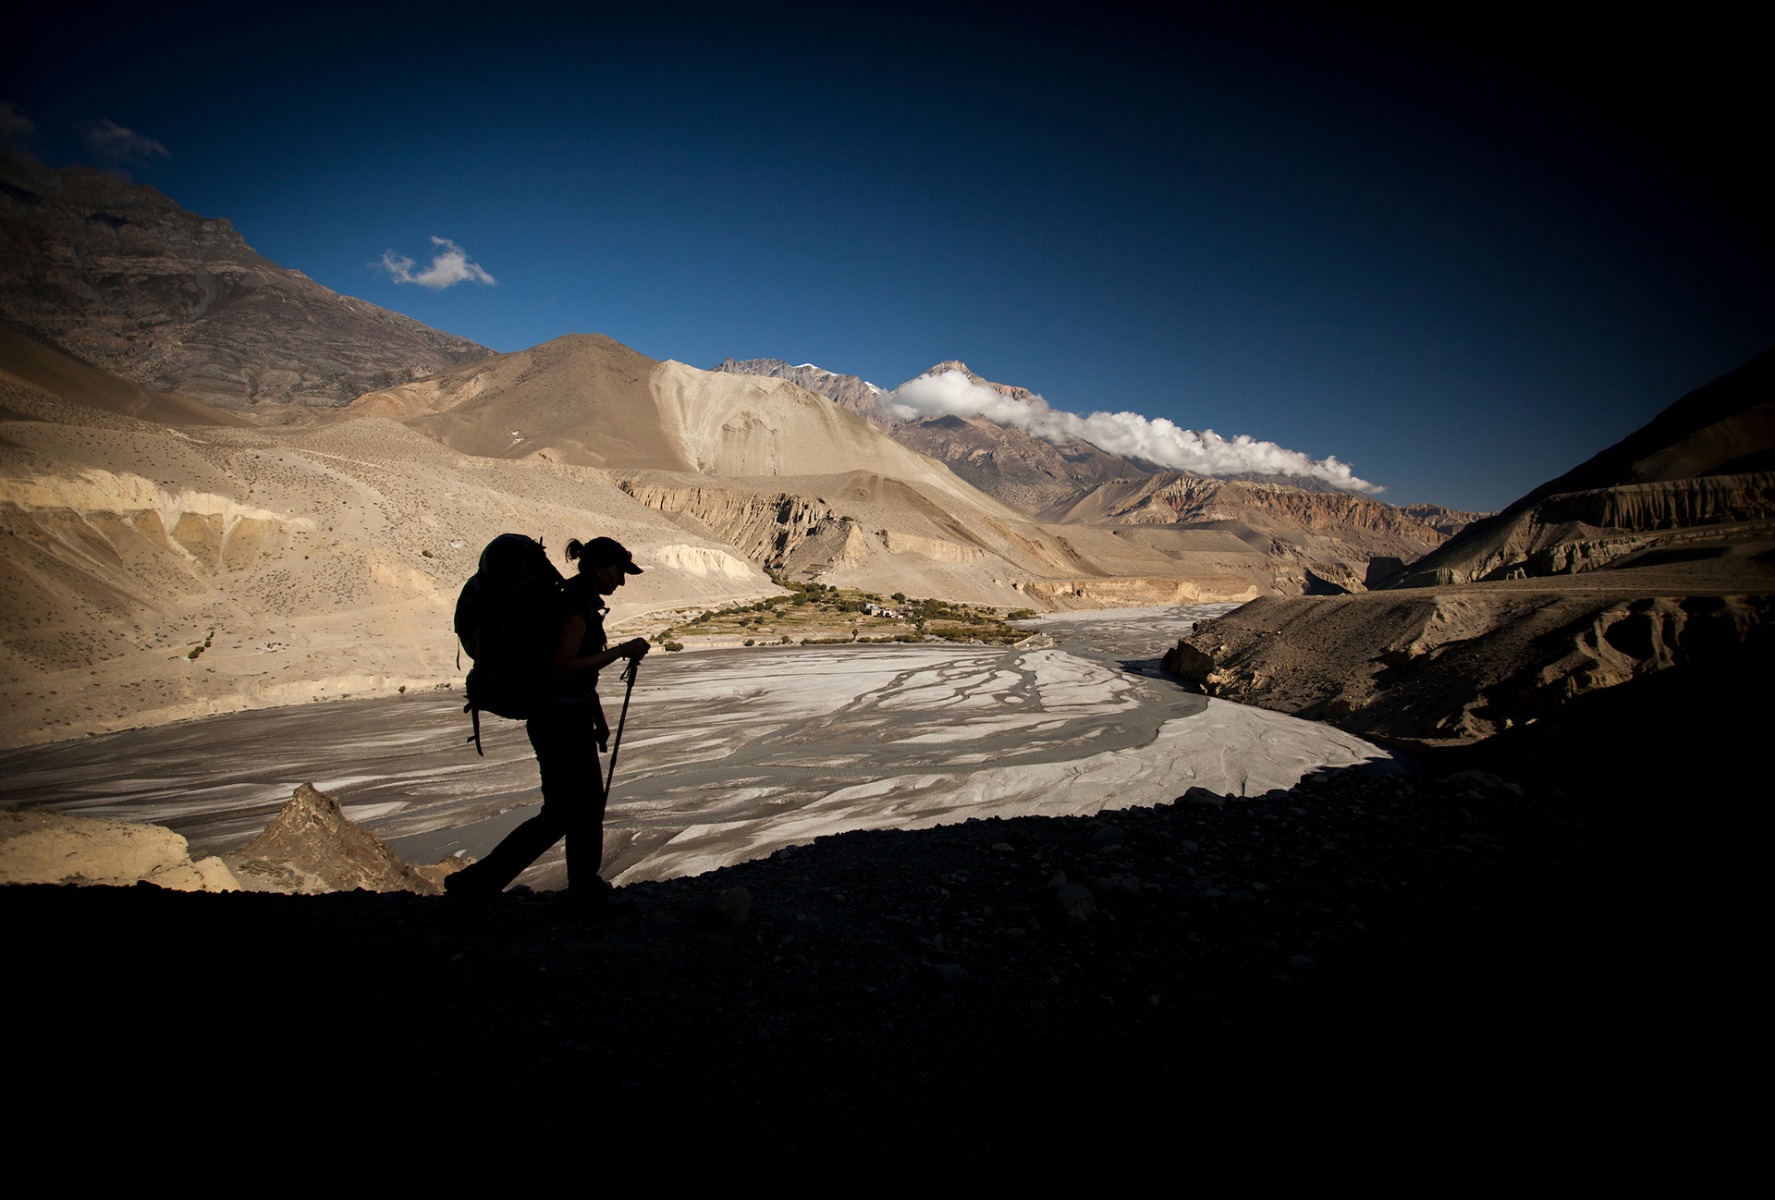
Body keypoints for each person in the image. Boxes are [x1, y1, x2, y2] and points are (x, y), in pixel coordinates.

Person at [445, 536, 650, 915]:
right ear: (599, 568)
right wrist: (620, 651)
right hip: (559, 720)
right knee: (565, 812)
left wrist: (598, 719)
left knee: (582, 806)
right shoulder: (575, 605)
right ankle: (475, 884)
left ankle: (583, 888)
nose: (621, 581)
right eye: (619, 572)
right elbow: (563, 666)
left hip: (562, 715)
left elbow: (576, 675)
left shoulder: (571, 597)